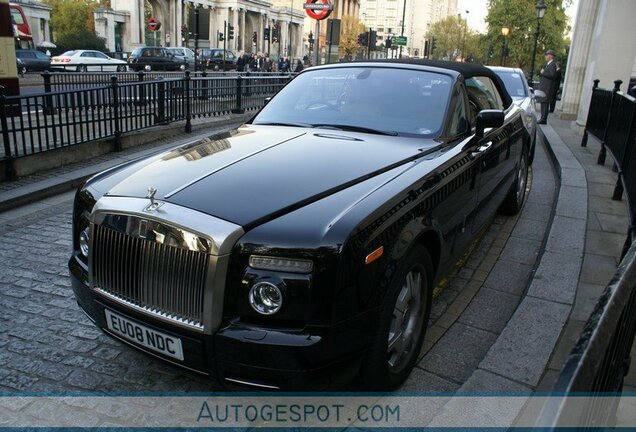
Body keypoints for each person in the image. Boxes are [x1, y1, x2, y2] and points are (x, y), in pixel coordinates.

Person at [538, 49, 558, 124]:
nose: (545, 56)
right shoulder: (549, 64)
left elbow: (552, 75)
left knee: (545, 103)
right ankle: (542, 118)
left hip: (547, 88)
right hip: (545, 88)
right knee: (543, 103)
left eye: (546, 55)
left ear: (550, 56)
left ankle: (543, 119)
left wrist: (543, 73)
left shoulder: (552, 64)